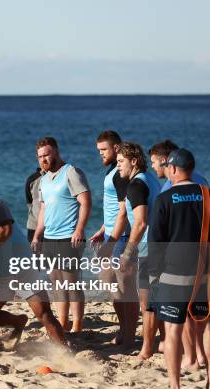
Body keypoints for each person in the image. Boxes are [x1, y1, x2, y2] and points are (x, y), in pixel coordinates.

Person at [147, 148, 210, 389]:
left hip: (174, 274)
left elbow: (156, 242)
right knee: (207, 327)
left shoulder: (165, 198)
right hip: (208, 272)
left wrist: (152, 275)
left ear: (171, 169)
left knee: (172, 331)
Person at [0, 182, 66, 348]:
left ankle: (65, 352)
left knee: (43, 314)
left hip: (22, 265)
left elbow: (4, 231)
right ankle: (18, 321)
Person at [149, 140, 209, 367]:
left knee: (180, 318)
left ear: (169, 164)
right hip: (205, 259)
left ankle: (192, 358)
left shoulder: (168, 191)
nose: (155, 168)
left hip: (177, 263)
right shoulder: (203, 183)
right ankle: (200, 356)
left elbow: (159, 236)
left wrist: (155, 269)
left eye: (156, 163)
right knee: (201, 317)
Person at [30, 137, 92, 333]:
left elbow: (86, 202)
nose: (43, 159)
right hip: (50, 237)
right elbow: (43, 210)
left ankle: (77, 326)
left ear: (56, 152)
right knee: (56, 283)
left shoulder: (71, 172)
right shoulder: (43, 179)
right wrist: (38, 235)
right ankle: (63, 324)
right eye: (40, 156)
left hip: (69, 236)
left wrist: (79, 229)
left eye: (46, 154)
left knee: (71, 282)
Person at [88, 130, 136, 347]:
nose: (100, 154)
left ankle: (129, 332)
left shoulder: (120, 173)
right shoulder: (112, 171)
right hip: (111, 232)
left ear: (116, 148)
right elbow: (112, 207)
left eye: (103, 150)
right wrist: (102, 228)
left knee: (124, 287)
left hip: (121, 235)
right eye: (98, 150)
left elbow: (124, 211)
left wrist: (112, 240)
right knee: (108, 281)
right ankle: (124, 327)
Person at [116, 142, 162, 356]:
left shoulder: (135, 185)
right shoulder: (151, 179)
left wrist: (127, 252)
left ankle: (146, 349)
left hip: (148, 249)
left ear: (133, 161)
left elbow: (140, 222)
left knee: (147, 303)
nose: (118, 166)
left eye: (121, 161)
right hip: (162, 245)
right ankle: (163, 343)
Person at [25, 164, 45, 243]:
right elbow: (29, 202)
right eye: (41, 156)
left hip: (56, 229)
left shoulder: (61, 177)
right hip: (34, 227)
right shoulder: (32, 179)